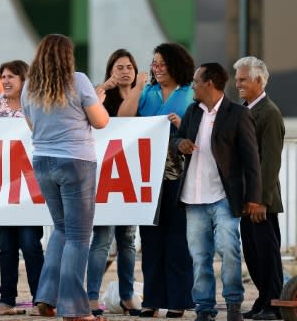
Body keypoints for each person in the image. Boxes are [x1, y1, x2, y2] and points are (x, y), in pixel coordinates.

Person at [22, 34, 109, 321]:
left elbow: (31, 124)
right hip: (76, 161)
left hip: (43, 161)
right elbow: (100, 121)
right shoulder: (79, 80)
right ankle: (74, 308)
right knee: (79, 237)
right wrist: (99, 100)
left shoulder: (29, 87)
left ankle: (47, 296)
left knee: (61, 229)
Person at [171, 63, 263, 321]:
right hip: (193, 197)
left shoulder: (237, 114)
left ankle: (233, 305)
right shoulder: (192, 111)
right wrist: (181, 144)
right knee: (200, 257)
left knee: (229, 250)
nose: (192, 86)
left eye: (196, 81)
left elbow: (251, 159)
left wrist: (254, 198)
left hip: (224, 197)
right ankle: (204, 308)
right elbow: (174, 140)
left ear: (209, 84)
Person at [118, 42, 195, 318]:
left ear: (176, 65)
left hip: (179, 175)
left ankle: (178, 300)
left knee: (177, 238)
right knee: (150, 238)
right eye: (154, 63)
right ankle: (152, 298)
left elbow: (199, 129)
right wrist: (138, 87)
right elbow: (123, 117)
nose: (157, 68)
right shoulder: (148, 91)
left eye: (162, 63)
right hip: (147, 175)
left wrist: (179, 127)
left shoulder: (190, 92)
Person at [0, 60, 45, 317]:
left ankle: (41, 299)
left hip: (31, 190)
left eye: (12, 77)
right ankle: (7, 300)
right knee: (6, 245)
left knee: (31, 244)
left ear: (24, 80)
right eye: (4, 77)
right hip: (3, 191)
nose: (6, 81)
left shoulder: (39, 108)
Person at [86, 49, 140, 316]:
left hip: (133, 176)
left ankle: (128, 296)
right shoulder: (100, 96)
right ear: (110, 71)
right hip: (104, 176)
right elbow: (89, 119)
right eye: (119, 67)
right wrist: (102, 88)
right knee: (102, 239)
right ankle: (92, 297)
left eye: (129, 66)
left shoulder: (142, 95)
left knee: (128, 240)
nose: (125, 71)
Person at [233, 57, 285, 321]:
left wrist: (260, 201)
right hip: (246, 199)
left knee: (267, 255)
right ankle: (262, 302)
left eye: (242, 79)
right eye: (237, 78)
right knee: (253, 255)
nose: (237, 83)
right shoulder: (244, 110)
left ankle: (275, 305)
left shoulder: (270, 113)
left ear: (258, 80)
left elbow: (270, 162)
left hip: (261, 202)